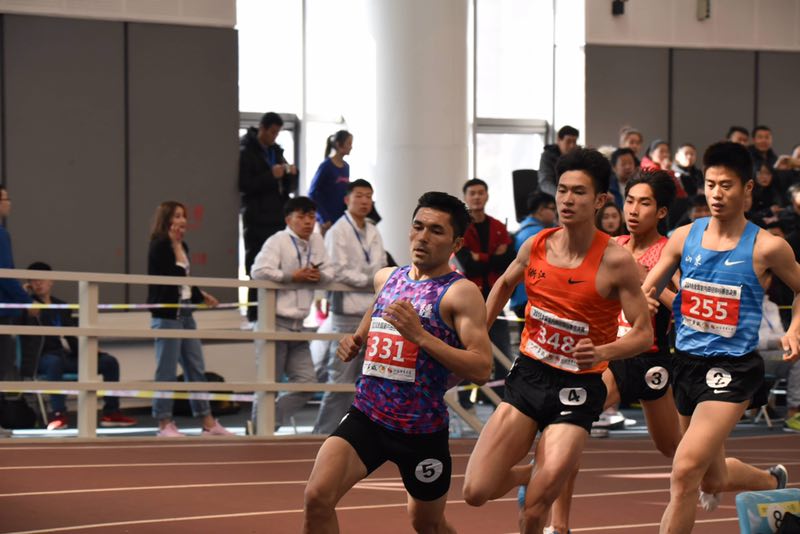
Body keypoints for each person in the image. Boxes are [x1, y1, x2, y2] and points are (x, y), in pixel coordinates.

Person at [461, 148, 653, 534]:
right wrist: (477, 335)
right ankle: (535, 470)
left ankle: (545, 477)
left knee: (535, 509)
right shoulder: (536, 245)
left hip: (578, 388)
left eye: (579, 192)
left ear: (599, 200)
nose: (567, 200)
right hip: (529, 376)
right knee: (475, 491)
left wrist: (602, 352)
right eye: (562, 190)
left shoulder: (616, 261)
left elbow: (643, 333)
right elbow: (503, 284)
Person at [303, 191, 492, 534]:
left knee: (427, 526)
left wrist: (421, 337)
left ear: (456, 243)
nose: (423, 237)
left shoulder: (460, 294)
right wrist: (356, 339)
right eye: (418, 226)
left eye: (436, 230)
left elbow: (482, 368)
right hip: (367, 417)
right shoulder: (388, 277)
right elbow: (377, 308)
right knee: (317, 497)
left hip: (421, 432)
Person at [641, 142, 796, 533]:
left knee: (684, 471)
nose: (716, 194)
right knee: (711, 479)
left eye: (726, 185)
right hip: (686, 365)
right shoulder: (682, 238)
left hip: (732, 370)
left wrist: (795, 327)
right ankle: (771, 482)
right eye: (710, 185)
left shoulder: (767, 247)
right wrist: (642, 301)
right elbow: (648, 288)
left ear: (747, 188)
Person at [546, 170, 681, 533]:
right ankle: (558, 526)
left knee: (679, 452)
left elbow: (686, 307)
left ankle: (761, 480)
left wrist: (648, 284)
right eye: (630, 201)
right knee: (569, 421)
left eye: (645, 203)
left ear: (661, 211)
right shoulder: (613, 244)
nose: (633, 210)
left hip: (650, 358)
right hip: (611, 353)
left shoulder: (670, 251)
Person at [148, 201, 232, 437]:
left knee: (196, 367)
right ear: (167, 220)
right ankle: (164, 422)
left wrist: (200, 296)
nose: (182, 221)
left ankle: (207, 421)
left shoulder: (183, 245)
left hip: (185, 313)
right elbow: (172, 277)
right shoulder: (159, 245)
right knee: (166, 370)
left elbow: (186, 279)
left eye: (183, 216)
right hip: (167, 315)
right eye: (177, 216)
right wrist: (175, 245)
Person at [251, 196, 334, 430]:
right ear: (289, 220)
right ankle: (258, 432)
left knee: (308, 384)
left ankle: (265, 424)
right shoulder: (277, 240)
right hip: (274, 323)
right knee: (268, 383)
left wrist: (319, 276)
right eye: (302, 216)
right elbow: (258, 270)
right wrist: (291, 276)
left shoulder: (317, 240)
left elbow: (330, 271)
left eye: (312, 217)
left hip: (299, 326)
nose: (308, 222)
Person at [25, 262, 137, 430]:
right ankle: (58, 415)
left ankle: (112, 413)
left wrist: (91, 350)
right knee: (54, 362)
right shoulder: (28, 306)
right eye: (33, 280)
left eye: (42, 279)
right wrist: (24, 296)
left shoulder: (63, 306)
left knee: (109, 362)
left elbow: (74, 335)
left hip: (68, 355)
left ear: (51, 281)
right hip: (44, 358)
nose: (38, 283)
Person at [312, 180, 386, 435]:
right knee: (340, 378)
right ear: (347, 200)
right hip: (345, 312)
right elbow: (338, 270)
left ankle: (357, 433)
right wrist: (369, 279)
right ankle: (323, 433)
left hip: (372, 313)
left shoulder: (373, 230)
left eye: (369, 196)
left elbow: (382, 265)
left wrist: (369, 277)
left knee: (370, 378)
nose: (365, 201)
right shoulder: (338, 230)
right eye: (359, 196)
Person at [453, 178, 514, 404]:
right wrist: (493, 258)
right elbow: (468, 265)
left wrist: (480, 257)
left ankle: (500, 401)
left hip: (495, 297)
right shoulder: (461, 228)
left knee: (503, 352)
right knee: (464, 350)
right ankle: (464, 402)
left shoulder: (497, 226)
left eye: (481, 192)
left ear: (487, 196)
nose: (477, 197)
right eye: (473, 193)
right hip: (468, 299)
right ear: (466, 197)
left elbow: (509, 260)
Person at [238, 112, 299, 321]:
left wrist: (291, 174)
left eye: (278, 133)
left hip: (277, 216)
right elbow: (244, 185)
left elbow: (288, 187)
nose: (274, 137)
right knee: (257, 265)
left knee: (278, 265)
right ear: (262, 128)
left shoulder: (276, 151)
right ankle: (254, 314)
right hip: (257, 219)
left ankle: (276, 311)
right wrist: (270, 176)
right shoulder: (246, 150)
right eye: (272, 132)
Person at [0, 186, 33, 438]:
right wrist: (26, 301)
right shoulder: (1, 234)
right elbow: (5, 273)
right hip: (2, 311)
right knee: (2, 365)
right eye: (5, 198)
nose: (9, 202)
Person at [510, 192, 556, 320]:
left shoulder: (522, 229)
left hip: (519, 297)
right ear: (541, 210)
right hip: (533, 298)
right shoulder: (539, 234)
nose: (555, 214)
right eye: (552, 209)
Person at [308, 130, 353, 234]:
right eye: (349, 143)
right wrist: (323, 218)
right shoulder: (326, 166)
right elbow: (312, 193)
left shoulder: (346, 167)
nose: (351, 147)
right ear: (338, 144)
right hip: (327, 222)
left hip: (341, 220)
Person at [538, 126, 579, 196]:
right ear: (558, 140)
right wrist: (560, 195)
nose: (572, 146)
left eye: (574, 142)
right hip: (550, 196)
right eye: (568, 141)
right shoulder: (548, 156)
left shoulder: (577, 156)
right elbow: (545, 182)